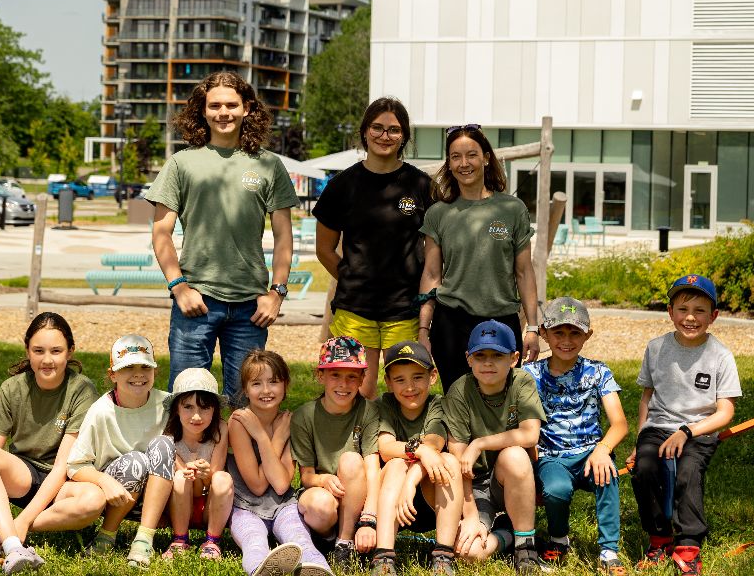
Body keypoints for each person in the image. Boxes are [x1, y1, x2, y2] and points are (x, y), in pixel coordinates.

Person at [145, 71, 299, 405]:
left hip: (251, 306)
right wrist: (179, 287)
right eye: (215, 105)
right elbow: (161, 232)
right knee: (188, 401)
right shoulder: (181, 163)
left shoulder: (269, 166)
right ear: (202, 110)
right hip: (195, 302)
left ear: (247, 108)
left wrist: (278, 293)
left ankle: (242, 459)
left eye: (232, 104)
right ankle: (186, 460)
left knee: (249, 403)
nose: (223, 112)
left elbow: (284, 236)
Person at [314, 97, 433, 399]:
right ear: (365, 131)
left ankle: (397, 446)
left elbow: (435, 250)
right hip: (356, 308)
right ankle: (355, 446)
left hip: (405, 308)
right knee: (357, 391)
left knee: (407, 392)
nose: (385, 135)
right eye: (377, 127)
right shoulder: (343, 185)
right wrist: (352, 278)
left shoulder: (421, 185)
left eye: (394, 130)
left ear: (404, 136)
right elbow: (324, 249)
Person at [0, 312, 101, 574]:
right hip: (23, 477)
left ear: (70, 352)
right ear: (27, 350)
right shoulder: (12, 388)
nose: (47, 359)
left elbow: (62, 466)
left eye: (56, 351)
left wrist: (25, 520)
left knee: (93, 501)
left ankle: (11, 530)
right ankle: (14, 545)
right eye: (38, 350)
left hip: (64, 482)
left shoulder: (82, 390)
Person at [628, 275, 740, 576]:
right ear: (670, 312)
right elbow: (646, 397)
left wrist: (687, 432)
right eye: (683, 309)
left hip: (698, 429)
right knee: (646, 469)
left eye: (700, 310)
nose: (690, 317)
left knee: (688, 471)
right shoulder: (655, 348)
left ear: (713, 316)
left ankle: (688, 545)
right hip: (658, 426)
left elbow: (725, 411)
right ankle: (660, 538)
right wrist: (640, 441)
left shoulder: (721, 356)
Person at [417, 125, 540, 392]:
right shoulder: (438, 213)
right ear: (448, 164)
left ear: (486, 157)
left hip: (501, 321)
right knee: (457, 401)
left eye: (471, 155)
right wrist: (424, 331)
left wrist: (532, 327)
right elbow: (431, 275)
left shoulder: (512, 209)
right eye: (455, 157)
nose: (464, 163)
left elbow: (524, 272)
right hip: (451, 324)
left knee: (499, 402)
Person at [523, 298, 628, 573]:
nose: (566, 340)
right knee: (557, 490)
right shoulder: (529, 374)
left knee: (608, 476)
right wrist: (533, 466)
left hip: (592, 453)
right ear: (544, 333)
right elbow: (523, 425)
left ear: (587, 335)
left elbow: (619, 424)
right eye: (558, 332)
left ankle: (609, 550)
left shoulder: (598, 371)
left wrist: (603, 449)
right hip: (551, 456)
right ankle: (559, 539)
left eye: (575, 333)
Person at [442, 320, 545, 573]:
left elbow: (531, 434)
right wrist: (470, 516)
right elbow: (457, 460)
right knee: (469, 553)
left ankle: (525, 544)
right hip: (474, 485)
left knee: (515, 455)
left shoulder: (521, 382)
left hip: (508, 477)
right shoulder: (459, 391)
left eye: (497, 355)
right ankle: (507, 534)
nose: (488, 363)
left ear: (514, 358)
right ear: (468, 359)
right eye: (480, 355)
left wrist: (480, 443)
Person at [65, 334, 175, 566]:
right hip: (115, 495)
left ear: (155, 371)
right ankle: (106, 535)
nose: (138, 374)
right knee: (137, 461)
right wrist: (105, 482)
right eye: (127, 368)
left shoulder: (168, 404)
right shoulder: (100, 411)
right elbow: (75, 466)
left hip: (157, 495)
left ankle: (144, 539)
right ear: (112, 374)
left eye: (145, 366)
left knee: (164, 444)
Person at [228, 350, 332, 576]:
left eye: (273, 382)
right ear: (246, 389)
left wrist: (267, 438)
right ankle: (260, 569)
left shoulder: (288, 422)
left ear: (285, 385)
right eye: (256, 383)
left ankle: (318, 569)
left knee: (300, 538)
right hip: (245, 507)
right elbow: (256, 485)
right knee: (253, 541)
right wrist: (268, 437)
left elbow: (281, 484)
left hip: (283, 504)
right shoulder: (239, 422)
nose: (266, 390)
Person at [370, 341, 463, 576]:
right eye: (400, 379)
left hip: (430, 499)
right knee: (395, 464)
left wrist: (411, 483)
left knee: (448, 462)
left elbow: (434, 445)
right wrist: (418, 451)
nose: (409, 387)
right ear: (388, 382)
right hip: (391, 502)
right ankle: (384, 555)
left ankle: (443, 554)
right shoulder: (385, 404)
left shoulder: (439, 404)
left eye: (417, 377)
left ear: (432, 376)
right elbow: (386, 448)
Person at [290, 337, 382, 569]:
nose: (344, 384)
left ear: (363, 378)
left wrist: (369, 519)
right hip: (324, 492)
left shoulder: (368, 411)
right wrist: (324, 479)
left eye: (352, 376)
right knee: (319, 506)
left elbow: (372, 468)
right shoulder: (304, 416)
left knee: (351, 460)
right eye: (335, 375)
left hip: (357, 495)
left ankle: (344, 542)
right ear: (320, 376)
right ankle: (328, 538)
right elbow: (307, 475)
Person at [161, 368, 234, 560]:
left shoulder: (221, 429)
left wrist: (205, 473)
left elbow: (215, 475)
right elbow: (178, 480)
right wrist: (188, 472)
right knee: (179, 476)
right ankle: (179, 539)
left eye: (204, 408)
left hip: (210, 506)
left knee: (223, 478)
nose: (196, 416)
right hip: (179, 505)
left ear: (215, 410)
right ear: (176, 408)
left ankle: (212, 541)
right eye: (188, 407)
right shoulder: (168, 436)